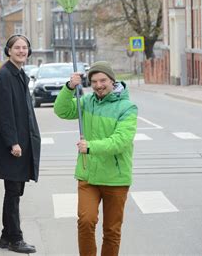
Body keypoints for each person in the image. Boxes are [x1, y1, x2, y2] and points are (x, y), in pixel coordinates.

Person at [54, 61, 138, 256]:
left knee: (111, 230)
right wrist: (69, 88)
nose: (99, 85)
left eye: (103, 80)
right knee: (85, 221)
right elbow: (62, 111)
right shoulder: (87, 102)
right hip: (88, 174)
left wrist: (91, 146)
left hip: (115, 178)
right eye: (94, 81)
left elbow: (121, 141)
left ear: (112, 80)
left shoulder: (127, 107)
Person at [0, 34, 41, 254]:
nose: (21, 51)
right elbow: (3, 114)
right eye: (17, 48)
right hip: (12, 146)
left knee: (15, 191)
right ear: (8, 51)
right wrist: (13, 143)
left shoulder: (18, 74)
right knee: (13, 192)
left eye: (25, 48)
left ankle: (5, 236)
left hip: (21, 144)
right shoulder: (4, 77)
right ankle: (15, 239)